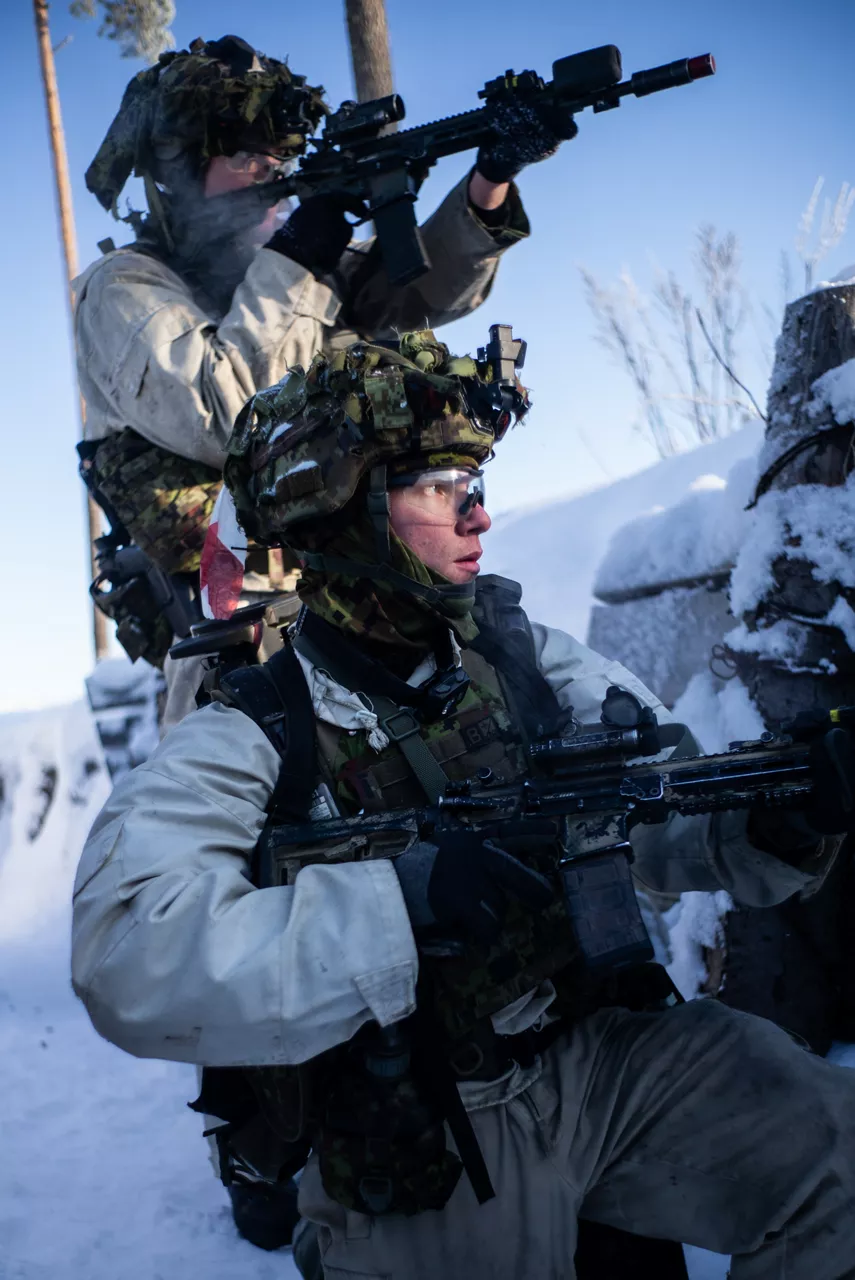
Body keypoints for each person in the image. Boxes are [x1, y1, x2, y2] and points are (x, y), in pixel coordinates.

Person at [71, 331, 855, 1279]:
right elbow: (125, 952)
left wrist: (778, 811)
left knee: (834, 1155)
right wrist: (396, 904)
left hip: (601, 1062)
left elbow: (659, 814)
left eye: (473, 483)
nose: (479, 515)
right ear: (342, 513)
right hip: (429, 1126)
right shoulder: (257, 725)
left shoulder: (522, 658)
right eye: (440, 490)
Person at [73, 33, 573, 729]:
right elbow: (231, 412)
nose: (266, 173)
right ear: (179, 170)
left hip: (352, 581)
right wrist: (305, 244)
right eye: (243, 155)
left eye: (277, 158)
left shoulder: (297, 268)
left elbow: (421, 287)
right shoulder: (122, 287)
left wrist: (489, 180)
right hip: (233, 619)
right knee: (257, 767)